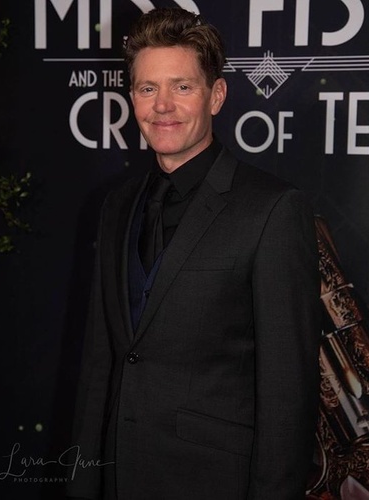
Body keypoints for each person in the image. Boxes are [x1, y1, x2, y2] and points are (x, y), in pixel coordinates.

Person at [66, 7, 321, 500]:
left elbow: (287, 393)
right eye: (147, 88)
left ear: (216, 95)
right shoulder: (117, 205)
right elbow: (102, 363)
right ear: (132, 98)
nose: (162, 106)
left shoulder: (272, 209)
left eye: (182, 87)